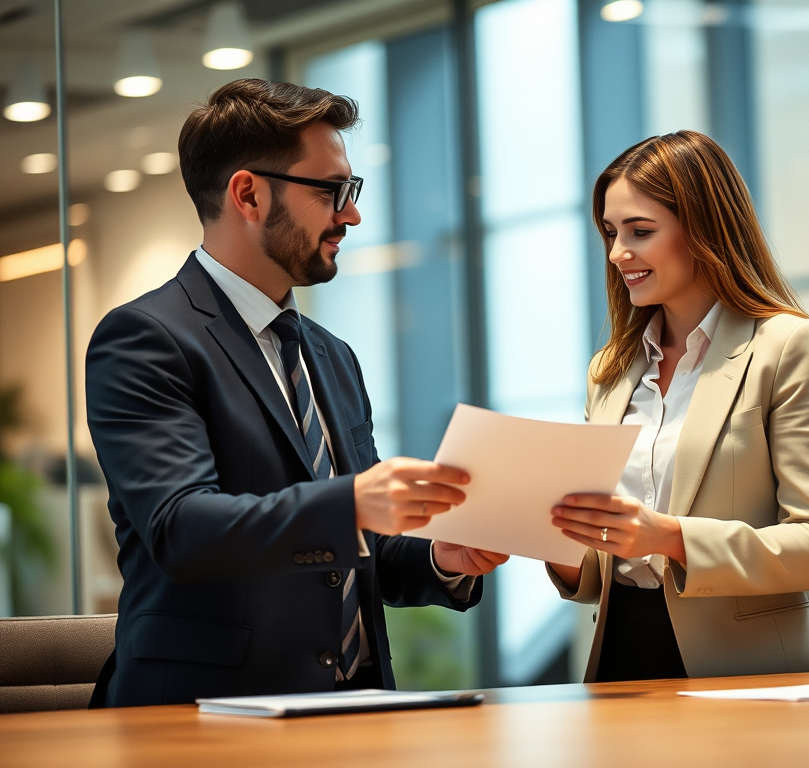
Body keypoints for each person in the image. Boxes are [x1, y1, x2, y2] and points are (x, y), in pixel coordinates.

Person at [85, 79, 507, 707]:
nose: (353, 214)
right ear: (249, 194)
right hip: (206, 719)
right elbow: (181, 527)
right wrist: (357, 503)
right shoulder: (146, 339)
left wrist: (441, 558)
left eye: (352, 191)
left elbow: (357, 549)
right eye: (332, 191)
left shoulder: (332, 355)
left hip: (358, 712)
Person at [547, 131, 809, 682]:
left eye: (641, 232)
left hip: (752, 671)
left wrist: (667, 537)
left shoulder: (787, 346)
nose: (619, 253)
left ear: (704, 229)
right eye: (611, 233)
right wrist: (546, 536)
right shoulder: (610, 371)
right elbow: (600, 567)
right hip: (621, 661)